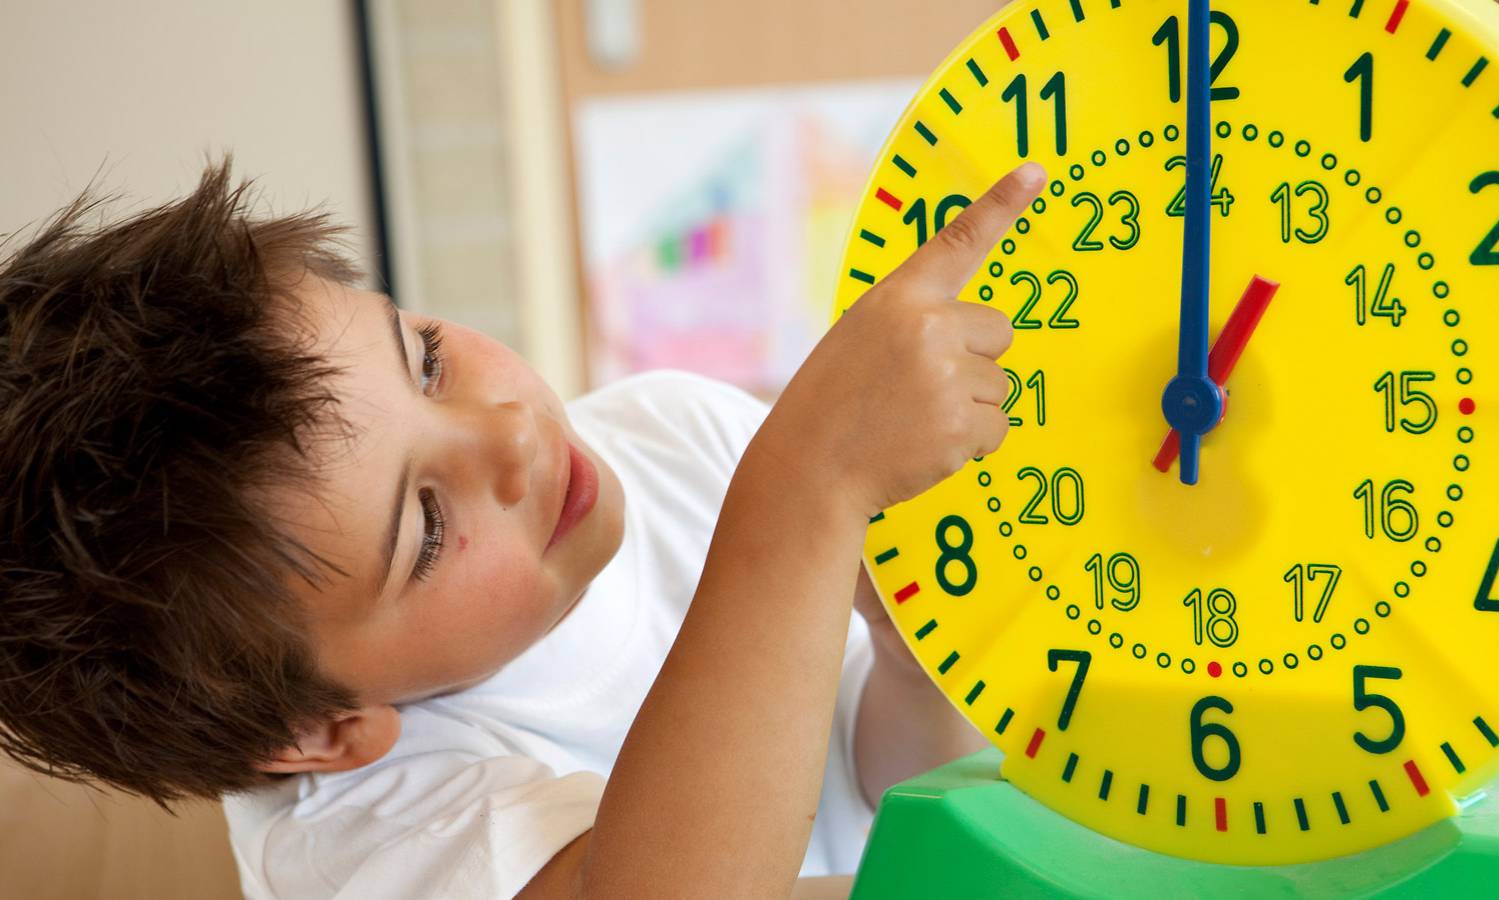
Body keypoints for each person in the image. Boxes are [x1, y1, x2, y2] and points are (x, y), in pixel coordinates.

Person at [0, 156, 1044, 898]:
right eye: (426, 525)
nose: (510, 436)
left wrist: (909, 663)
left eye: (427, 360)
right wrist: (801, 496)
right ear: (317, 732)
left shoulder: (668, 434)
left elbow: (889, 786)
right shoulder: (364, 841)